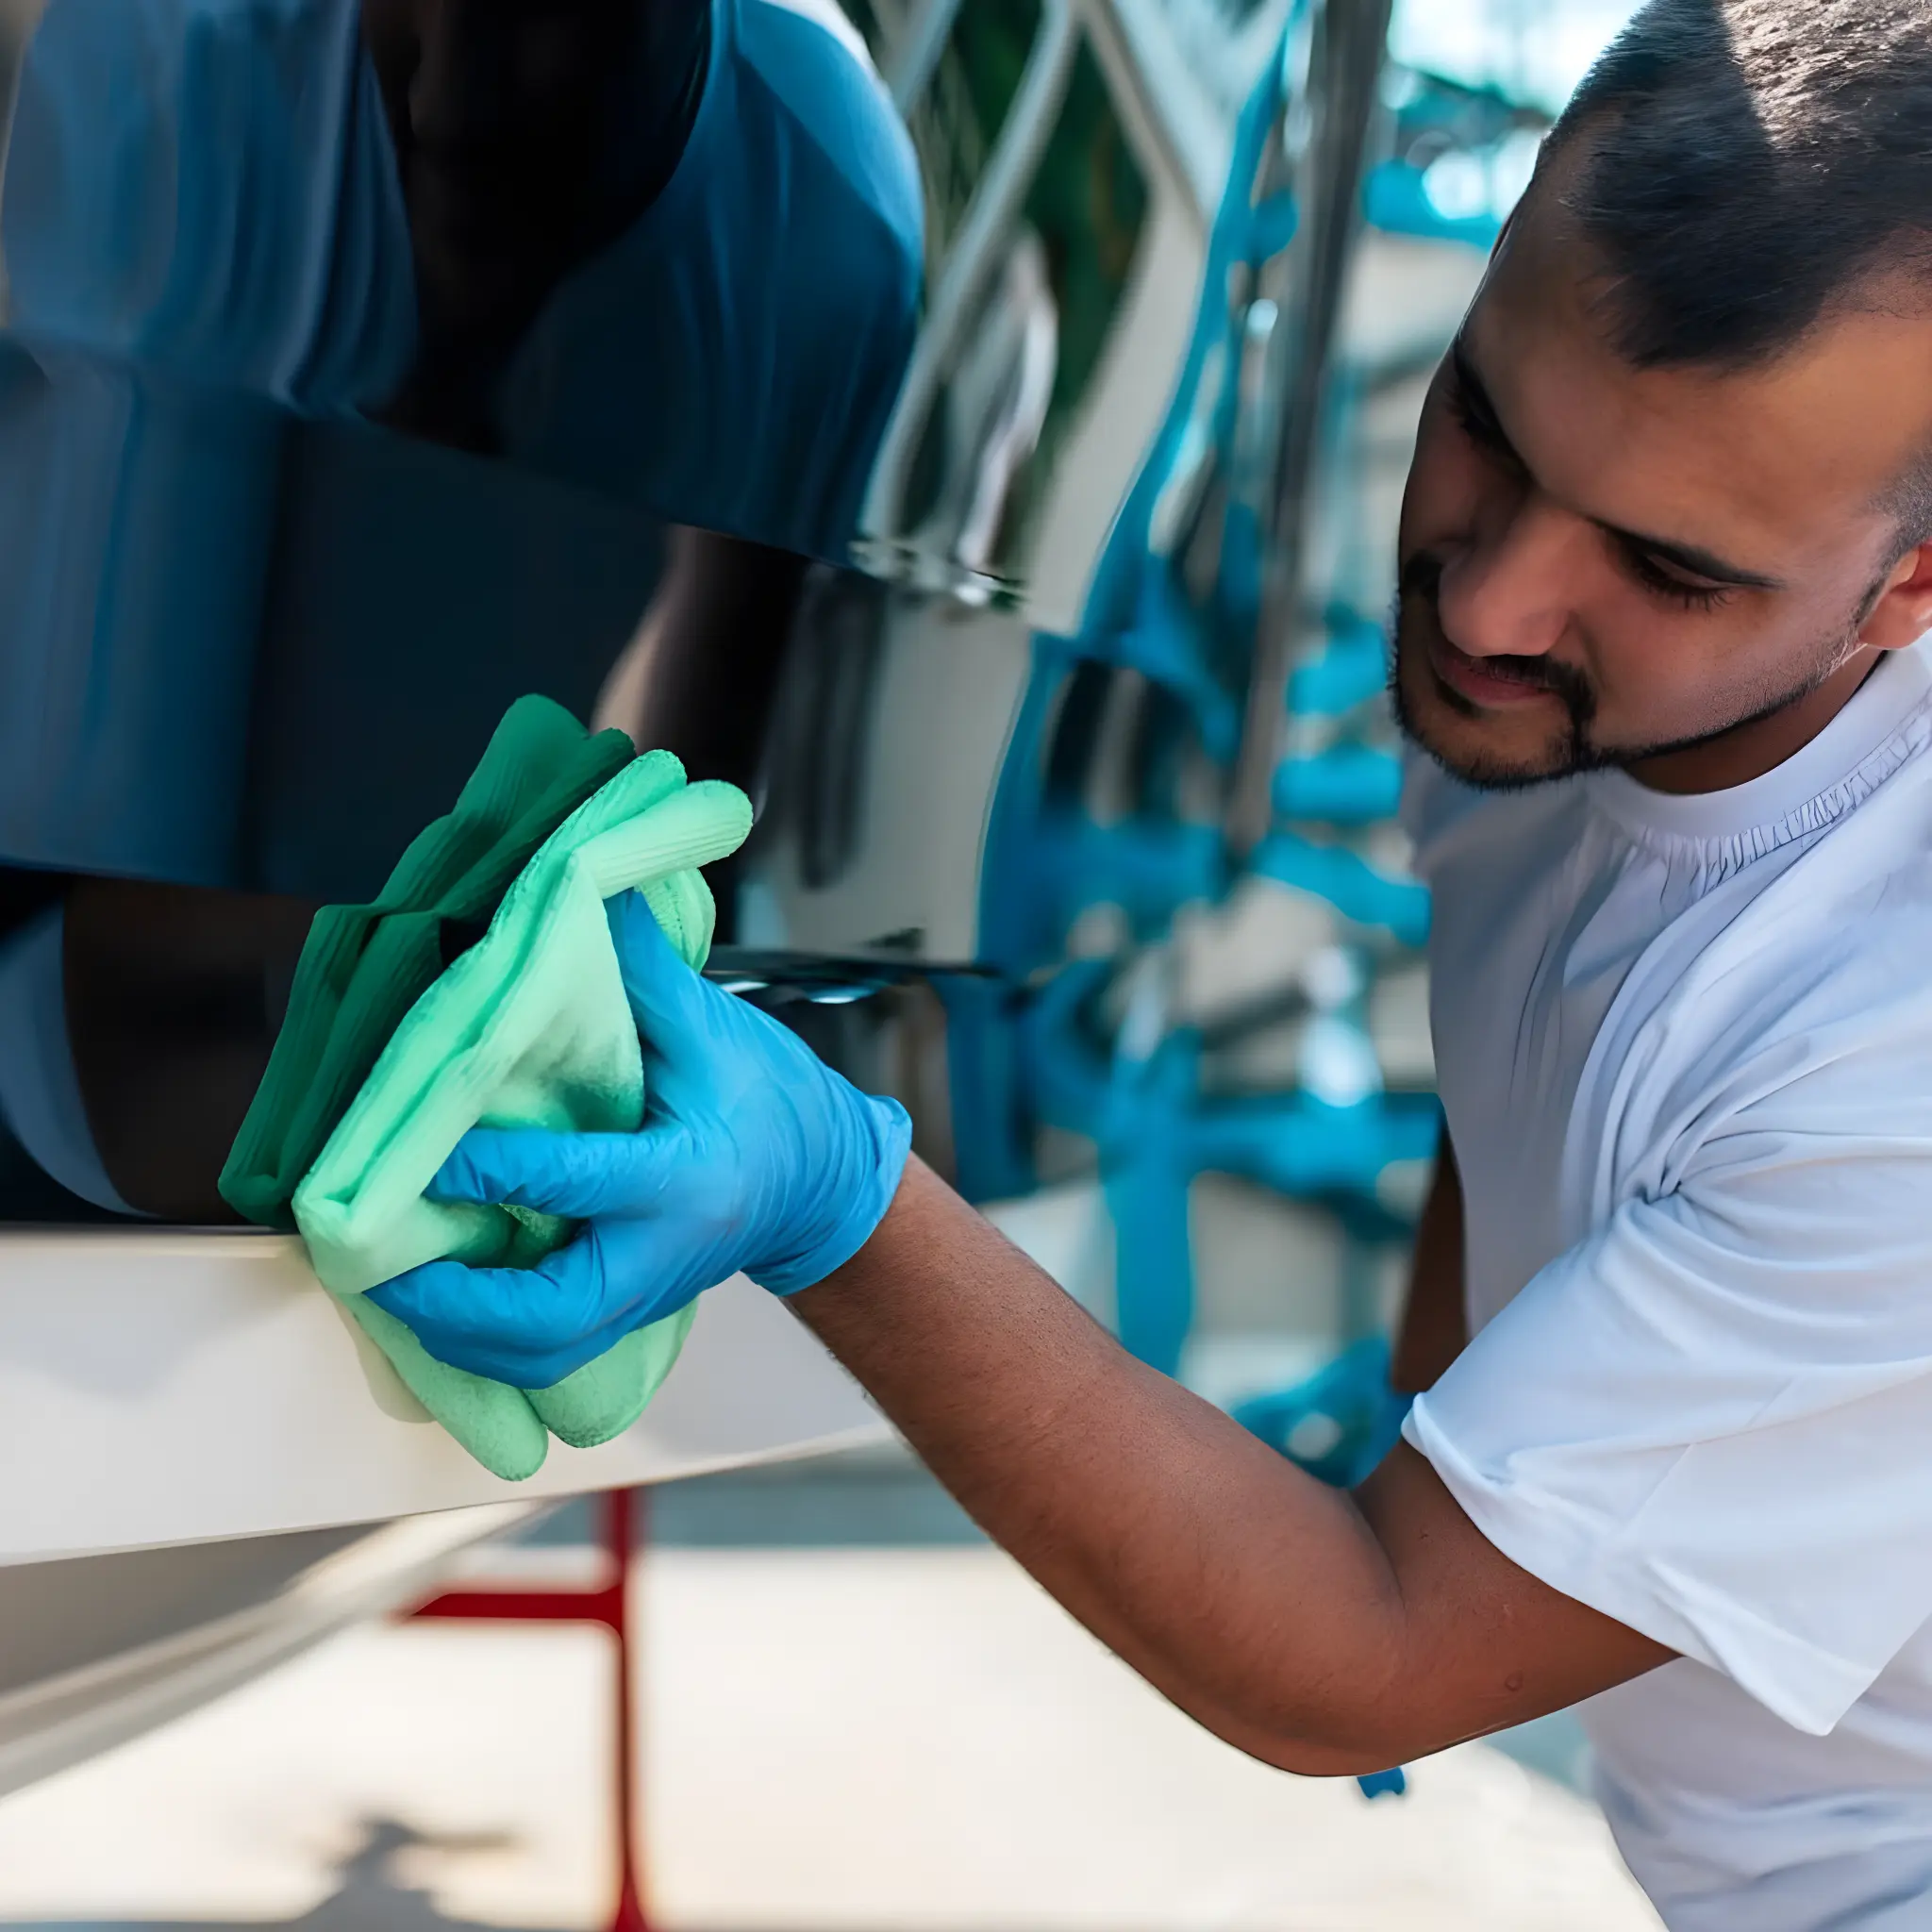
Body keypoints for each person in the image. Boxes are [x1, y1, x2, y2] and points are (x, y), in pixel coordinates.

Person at [369, 2, 1932, 1923]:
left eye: (1666, 568)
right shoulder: (1568, 719)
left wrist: (837, 1202)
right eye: (1481, 422)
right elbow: (1527, 1039)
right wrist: (1451, 1418)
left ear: (1910, 588)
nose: (1489, 598)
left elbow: (1357, 1650)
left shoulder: (1890, 1060)